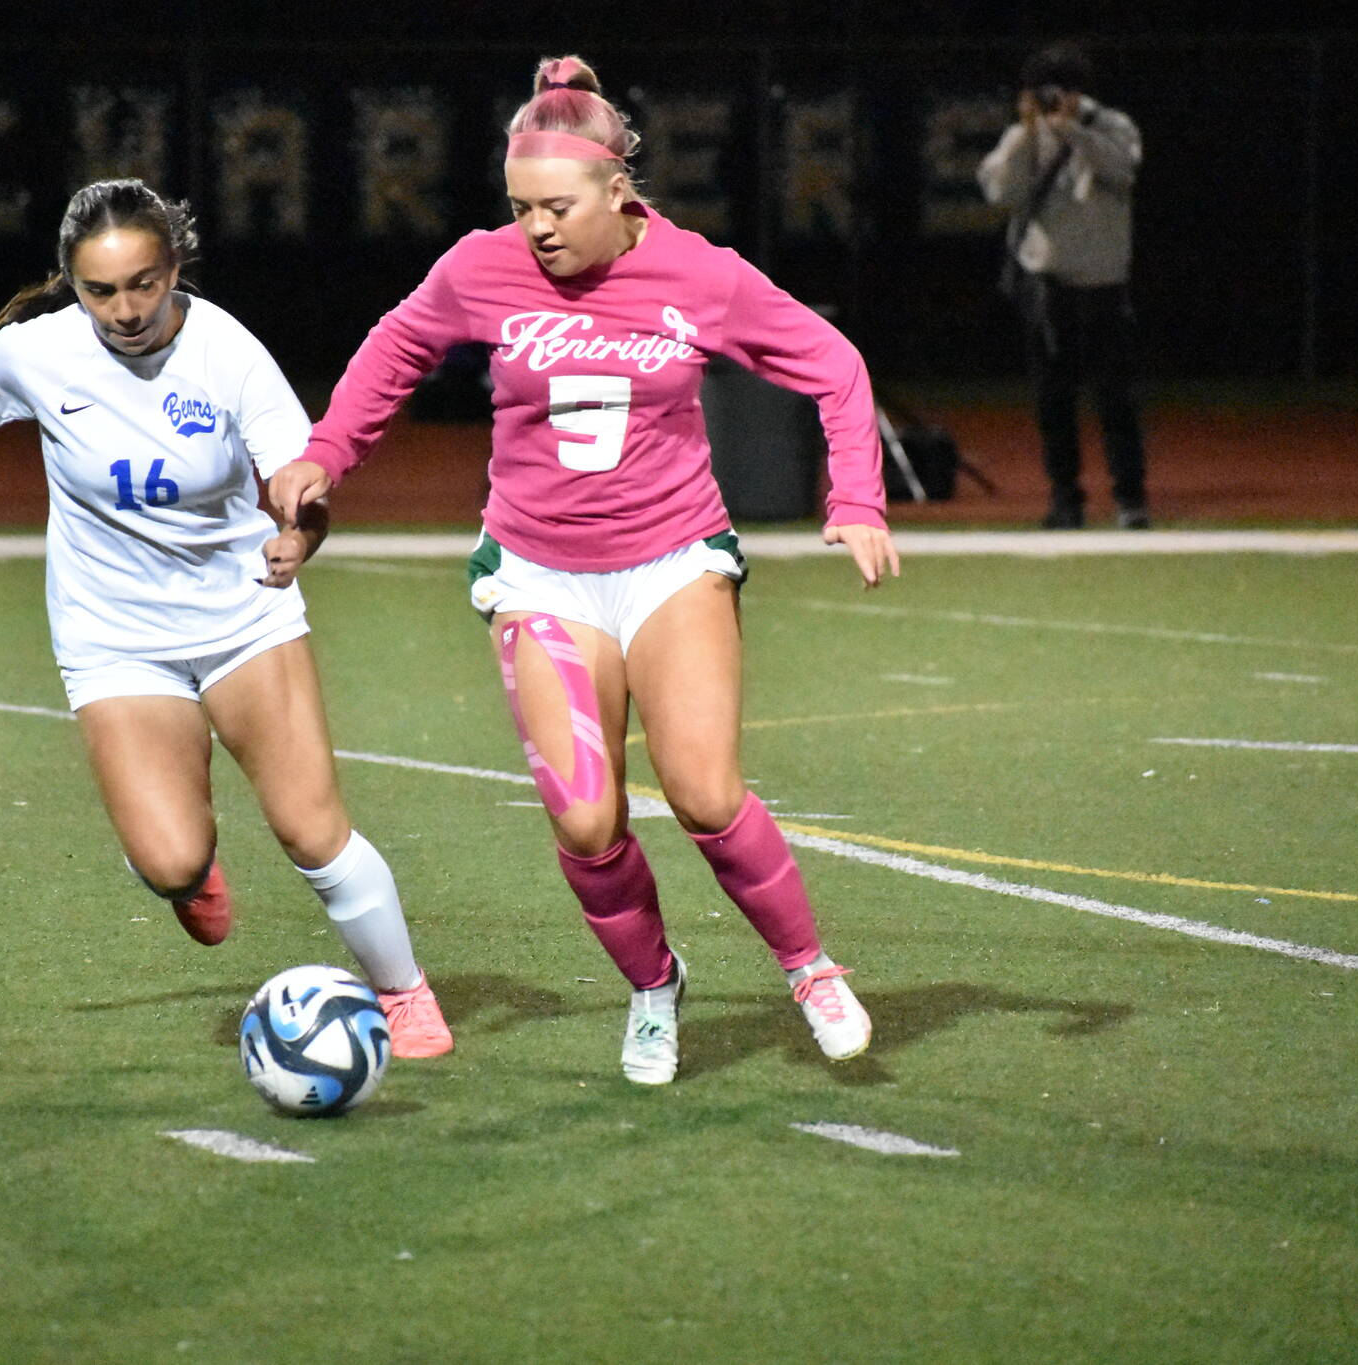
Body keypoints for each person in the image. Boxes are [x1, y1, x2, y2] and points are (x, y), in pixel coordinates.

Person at [269, 57, 896, 1084]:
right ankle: (654, 987)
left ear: (619, 191)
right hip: (537, 575)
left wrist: (856, 498)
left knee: (700, 789)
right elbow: (394, 350)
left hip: (670, 559)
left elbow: (832, 363)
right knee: (584, 817)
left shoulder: (702, 275)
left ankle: (807, 968)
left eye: (557, 206)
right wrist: (323, 454)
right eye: (520, 210)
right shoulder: (478, 267)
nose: (537, 230)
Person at [0, 179, 453, 1058]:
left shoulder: (229, 357)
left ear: (175, 266)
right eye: (101, 290)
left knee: (310, 829)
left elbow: (302, 481)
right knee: (171, 862)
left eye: (144, 282)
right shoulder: (34, 352)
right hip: (112, 639)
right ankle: (190, 874)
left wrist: (302, 535)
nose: (125, 309)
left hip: (242, 619)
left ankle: (405, 992)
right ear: (72, 284)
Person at [977, 42, 1150, 530]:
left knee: (1115, 397)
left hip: (1103, 283)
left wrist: (1072, 130)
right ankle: (1065, 499)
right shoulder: (1025, 136)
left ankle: (1131, 500)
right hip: (1048, 286)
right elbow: (997, 191)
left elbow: (1123, 172)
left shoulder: (1113, 127)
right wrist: (1026, 136)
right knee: (1053, 399)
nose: (1053, 100)